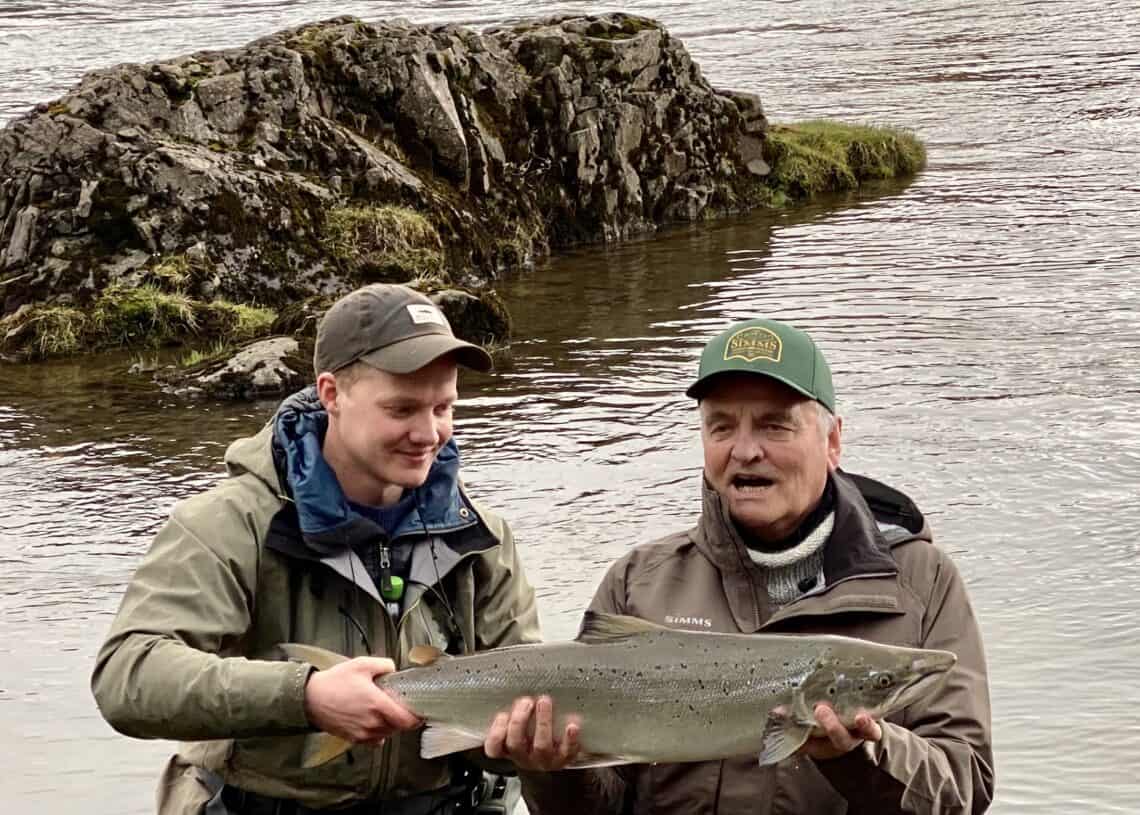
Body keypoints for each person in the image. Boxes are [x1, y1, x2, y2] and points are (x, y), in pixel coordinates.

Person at [497, 318, 995, 814]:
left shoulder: (923, 584)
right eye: (722, 426)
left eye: (774, 424)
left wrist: (862, 752)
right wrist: (549, 771)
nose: (746, 450)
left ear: (833, 441)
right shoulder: (638, 582)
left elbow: (964, 791)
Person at [92, 283, 540, 814]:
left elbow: (524, 692)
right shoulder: (230, 524)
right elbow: (129, 676)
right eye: (402, 409)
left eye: (444, 407)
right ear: (331, 394)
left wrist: (528, 748)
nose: (429, 432)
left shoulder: (482, 537)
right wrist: (304, 696)